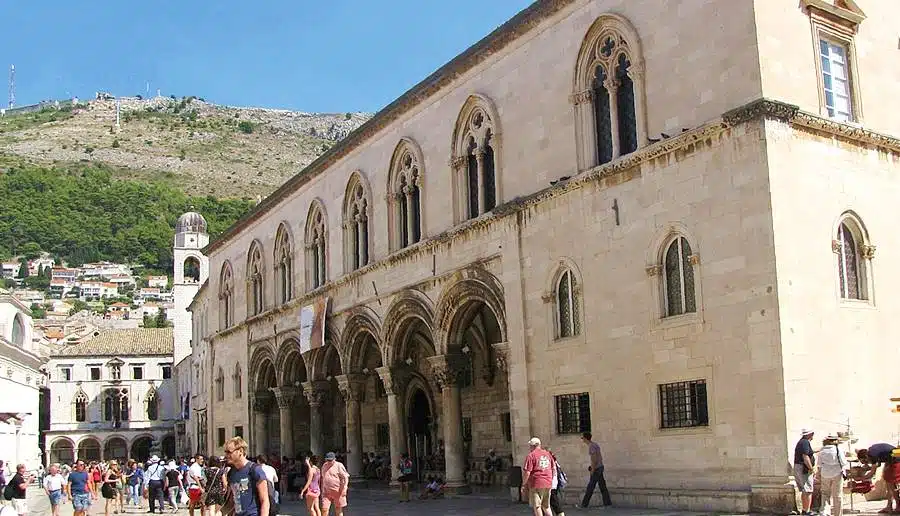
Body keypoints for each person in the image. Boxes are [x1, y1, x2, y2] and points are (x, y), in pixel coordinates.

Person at [223, 437, 270, 516]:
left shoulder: (255, 470)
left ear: (240, 451)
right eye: (225, 452)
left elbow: (265, 501)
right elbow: (231, 501)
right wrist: (220, 513)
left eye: (229, 452)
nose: (226, 455)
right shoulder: (231, 473)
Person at [857, 442, 899, 513]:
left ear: (866, 457)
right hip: (893, 456)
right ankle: (889, 506)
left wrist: (860, 478)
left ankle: (898, 506)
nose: (866, 463)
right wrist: (867, 469)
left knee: (891, 483)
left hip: (897, 458)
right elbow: (878, 464)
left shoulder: (872, 455)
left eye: (865, 461)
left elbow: (872, 473)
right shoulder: (871, 451)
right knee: (888, 481)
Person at [521, 437, 555, 516]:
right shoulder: (548, 454)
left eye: (530, 446)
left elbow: (527, 472)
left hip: (536, 483)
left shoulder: (531, 456)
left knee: (537, 506)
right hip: (548, 482)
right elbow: (553, 468)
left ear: (533, 446)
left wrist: (524, 484)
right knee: (546, 506)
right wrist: (550, 479)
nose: (530, 447)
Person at [580, 432, 611, 508]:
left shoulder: (591, 446)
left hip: (597, 469)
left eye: (582, 438)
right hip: (600, 467)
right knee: (602, 486)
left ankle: (584, 505)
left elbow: (594, 459)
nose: (582, 440)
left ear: (585, 438)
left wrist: (592, 470)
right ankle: (607, 503)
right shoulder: (595, 445)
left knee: (590, 487)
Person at [818, 435, 847, 516]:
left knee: (825, 493)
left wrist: (818, 475)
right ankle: (838, 514)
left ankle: (825, 511)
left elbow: (819, 465)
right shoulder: (838, 450)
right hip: (837, 473)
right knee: (837, 495)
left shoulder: (822, 451)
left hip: (825, 474)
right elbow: (843, 462)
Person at [794, 429, 817, 515]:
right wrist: (811, 468)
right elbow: (805, 456)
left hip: (799, 467)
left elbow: (809, 451)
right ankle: (806, 511)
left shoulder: (803, 442)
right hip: (803, 468)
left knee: (805, 490)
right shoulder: (805, 442)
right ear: (810, 434)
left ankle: (805, 509)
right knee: (808, 490)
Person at [547, 449, 566, 516]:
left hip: (551, 485)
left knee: (554, 502)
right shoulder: (555, 461)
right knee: (552, 502)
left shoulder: (550, 462)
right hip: (554, 484)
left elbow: (553, 473)